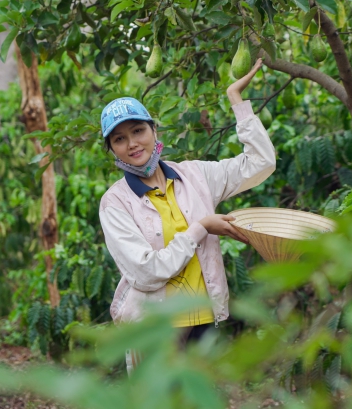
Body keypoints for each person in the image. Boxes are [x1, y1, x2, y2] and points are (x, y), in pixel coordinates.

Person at [98, 58, 276, 373]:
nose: (132, 143)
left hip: (203, 318)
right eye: (119, 139)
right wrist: (202, 227)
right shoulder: (115, 203)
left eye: (138, 130)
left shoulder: (194, 176)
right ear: (112, 149)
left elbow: (260, 163)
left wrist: (237, 100)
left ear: (154, 129)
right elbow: (146, 271)